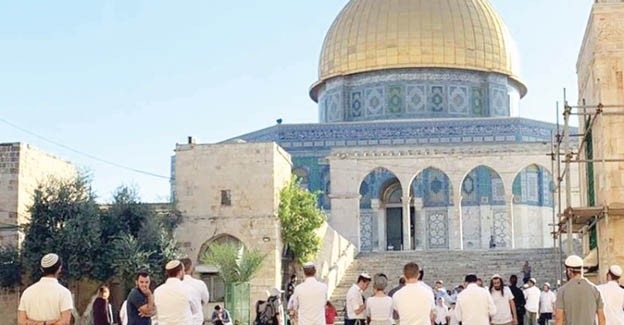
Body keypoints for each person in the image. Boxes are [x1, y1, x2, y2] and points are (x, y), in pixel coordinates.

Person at [18, 253, 73, 325]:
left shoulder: (27, 292)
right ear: (59, 268)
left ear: (41, 269)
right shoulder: (64, 293)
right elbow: (65, 322)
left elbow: (21, 321)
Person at [555, 255, 605, 325]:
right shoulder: (595, 289)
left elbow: (559, 319)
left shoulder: (562, 291)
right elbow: (601, 317)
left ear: (569, 271)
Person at [153, 260, 198, 325]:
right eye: (183, 270)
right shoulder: (188, 289)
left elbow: (155, 313)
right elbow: (196, 310)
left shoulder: (157, 291)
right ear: (180, 272)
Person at [180, 258, 210, 325]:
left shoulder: (175, 286)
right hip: (197, 321)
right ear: (190, 268)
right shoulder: (199, 284)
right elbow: (206, 299)